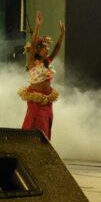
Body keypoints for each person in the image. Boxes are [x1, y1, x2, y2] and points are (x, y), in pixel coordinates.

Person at [20, 11, 64, 139]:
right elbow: (33, 44)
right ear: (38, 50)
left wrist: (62, 33)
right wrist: (38, 26)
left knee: (46, 122)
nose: (47, 49)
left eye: (46, 47)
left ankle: (43, 148)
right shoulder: (32, 63)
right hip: (36, 100)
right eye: (44, 47)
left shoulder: (47, 62)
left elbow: (57, 48)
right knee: (33, 123)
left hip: (47, 99)